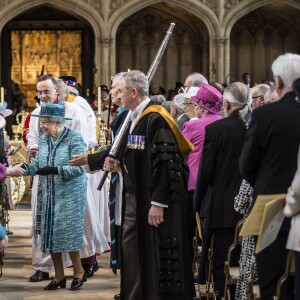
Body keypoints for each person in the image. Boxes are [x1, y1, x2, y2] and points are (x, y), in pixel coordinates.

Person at [103, 70, 195, 299]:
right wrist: (117, 162)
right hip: (135, 195)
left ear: (133, 92)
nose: (116, 96)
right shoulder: (134, 117)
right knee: (132, 253)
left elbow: (167, 162)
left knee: (152, 257)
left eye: (120, 91)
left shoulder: (156, 118)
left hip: (151, 199)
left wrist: (158, 202)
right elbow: (138, 154)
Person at [239, 53, 300, 299]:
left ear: (278, 81)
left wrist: (264, 183)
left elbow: (246, 164)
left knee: (270, 278)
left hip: (271, 205)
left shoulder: (265, 115)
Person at [27, 75, 89, 282]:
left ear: (57, 122)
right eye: (41, 122)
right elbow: (36, 162)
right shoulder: (44, 139)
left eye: (45, 123)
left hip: (69, 190)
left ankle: (78, 271)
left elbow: (79, 166)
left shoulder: (74, 137)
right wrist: (20, 169)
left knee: (67, 231)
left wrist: (55, 170)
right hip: (49, 188)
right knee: (48, 230)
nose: (42, 126)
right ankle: (58, 276)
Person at [195, 82, 250, 298]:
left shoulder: (215, 129)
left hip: (222, 203)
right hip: (249, 205)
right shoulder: (253, 128)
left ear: (226, 103)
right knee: (242, 257)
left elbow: (207, 171)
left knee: (221, 258)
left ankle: (223, 294)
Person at [56, 77, 110, 277]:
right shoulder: (50, 108)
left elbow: (84, 139)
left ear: (60, 92)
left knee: (82, 215)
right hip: (58, 170)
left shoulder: (77, 107)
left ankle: (88, 260)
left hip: (76, 165)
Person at [181, 83, 222, 259]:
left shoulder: (192, 126)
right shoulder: (222, 122)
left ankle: (191, 262)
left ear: (201, 106)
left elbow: (181, 149)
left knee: (189, 227)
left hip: (193, 181)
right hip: (216, 182)